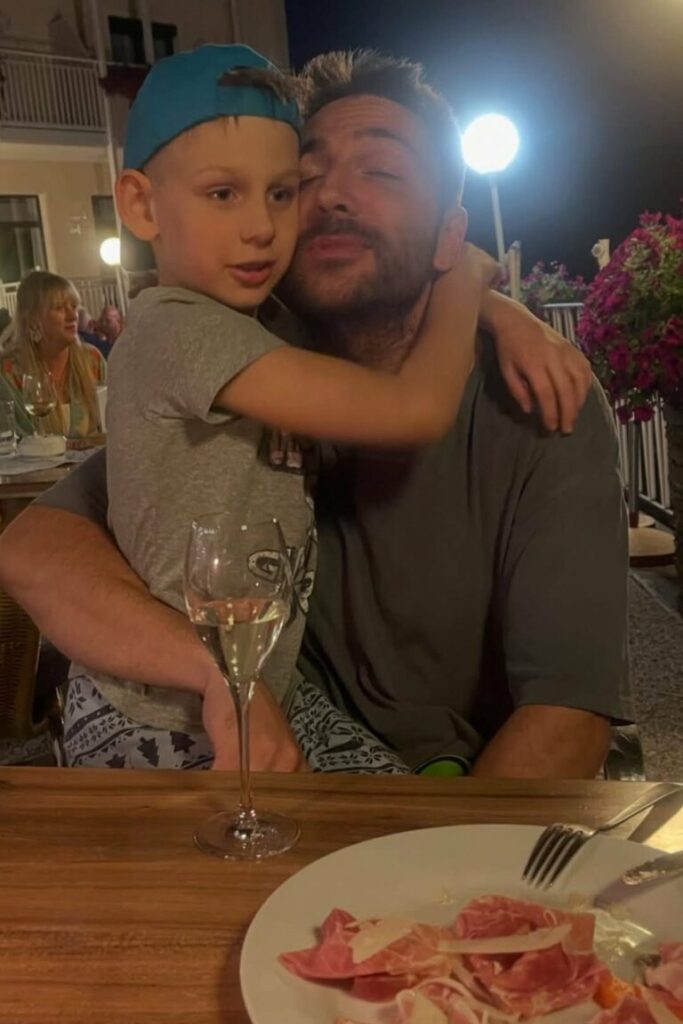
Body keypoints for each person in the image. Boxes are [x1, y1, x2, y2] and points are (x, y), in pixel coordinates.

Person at [0, 50, 625, 780]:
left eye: (380, 171)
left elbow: (566, 720)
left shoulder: (534, 400)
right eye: (304, 177)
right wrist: (473, 287)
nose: (329, 195)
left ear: (449, 233)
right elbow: (34, 546)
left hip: (443, 795)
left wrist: (486, 303)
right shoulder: (244, 367)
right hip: (227, 737)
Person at [1, 272, 106, 439]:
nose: (72, 316)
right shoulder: (8, 371)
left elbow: (113, 423)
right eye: (59, 308)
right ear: (32, 318)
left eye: (74, 306)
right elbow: (14, 440)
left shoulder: (92, 359)